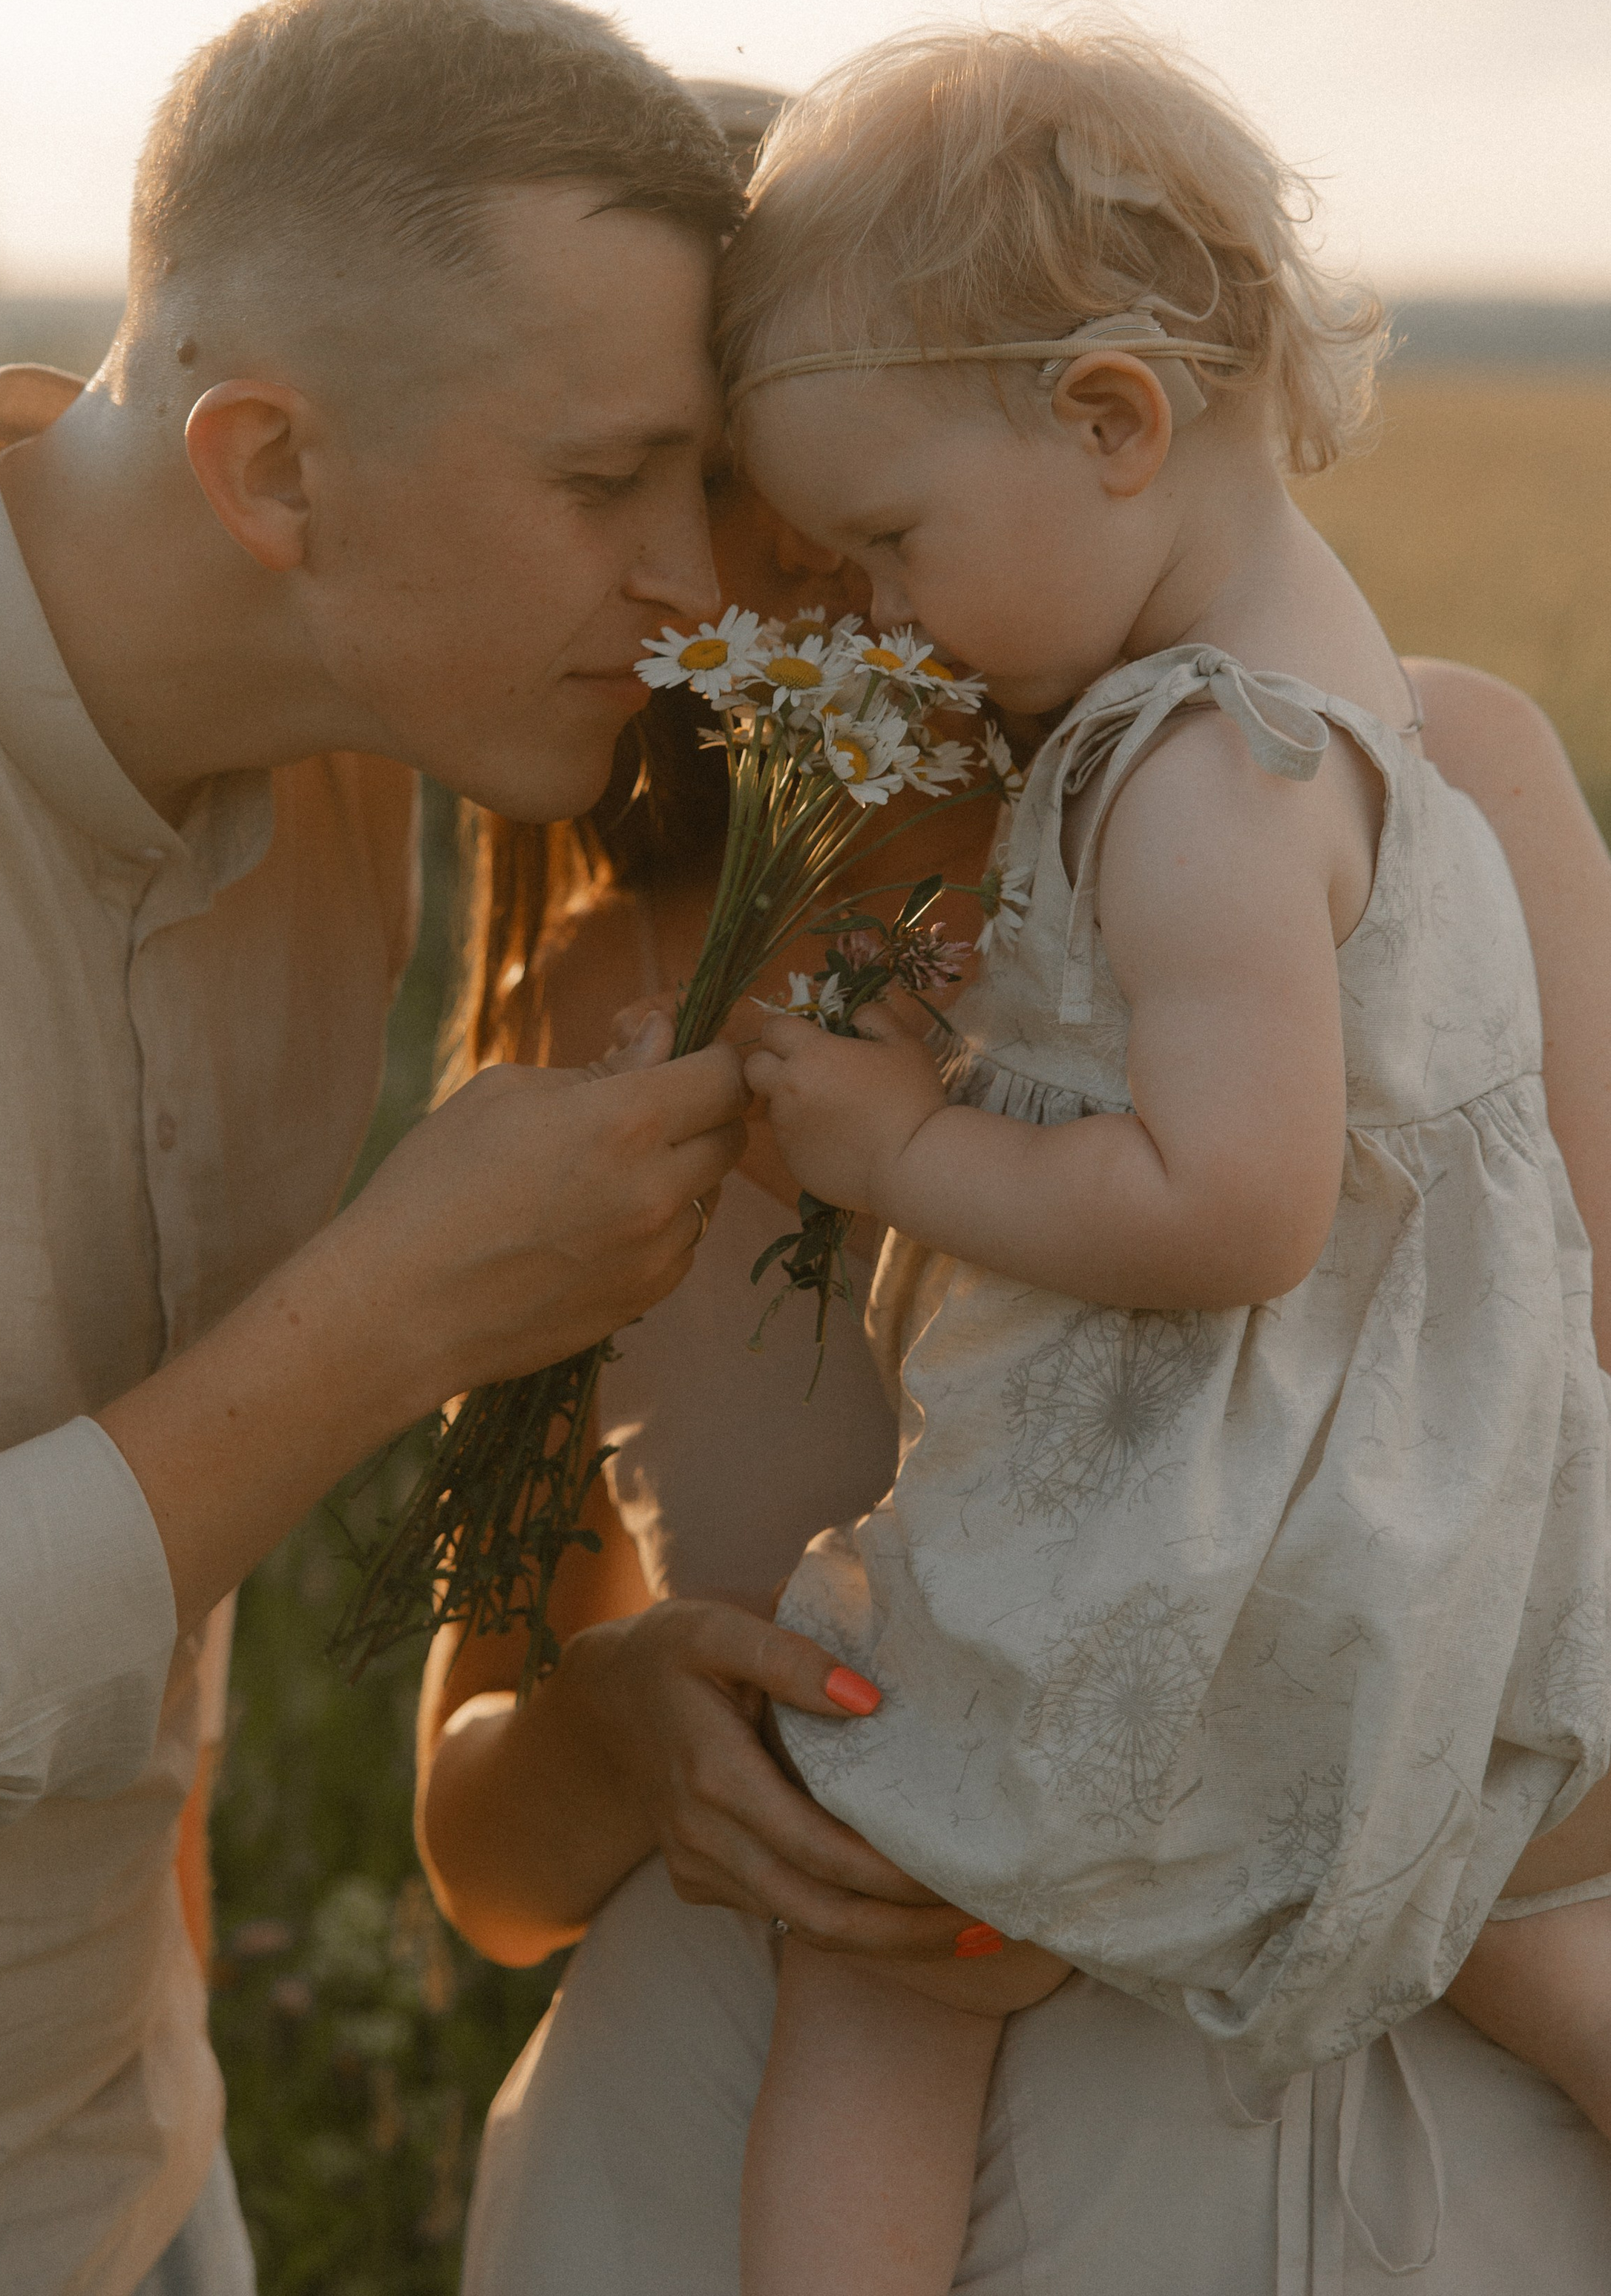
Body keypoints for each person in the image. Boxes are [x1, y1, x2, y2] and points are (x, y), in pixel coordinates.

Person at [418, 142, 1611, 2294]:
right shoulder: (615, 1005)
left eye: (800, 479)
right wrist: (621, 1728)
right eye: (661, 475)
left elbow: (1568, 1506)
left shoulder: (1416, 800)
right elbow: (484, 1855)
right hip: (726, 2148)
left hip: (1359, 2146)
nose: (732, 559)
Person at [0, 0, 753, 2296]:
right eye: (611, 482)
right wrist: (386, 1316)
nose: (697, 582)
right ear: (270, 464)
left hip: (145, 2164)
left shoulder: (378, 721)